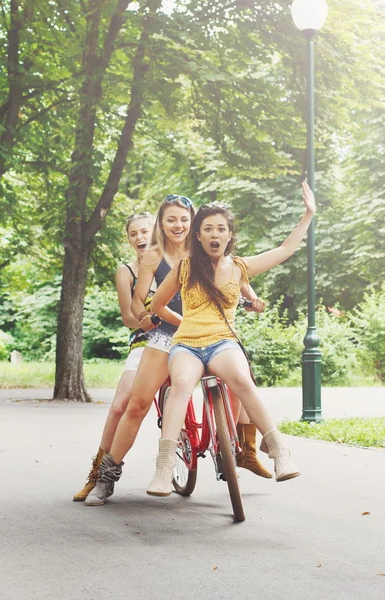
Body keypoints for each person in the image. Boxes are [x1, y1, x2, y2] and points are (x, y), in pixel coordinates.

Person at [86, 195, 270, 505]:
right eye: (171, 220)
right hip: (166, 335)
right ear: (161, 224)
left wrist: (252, 300)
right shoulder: (153, 257)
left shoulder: (209, 247)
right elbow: (137, 298)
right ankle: (106, 477)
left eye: (184, 219)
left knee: (241, 378)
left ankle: (240, 449)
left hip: (211, 333)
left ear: (195, 224)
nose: (178, 225)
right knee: (137, 403)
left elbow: (238, 279)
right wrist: (143, 316)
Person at [147, 181, 315, 496]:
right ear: (198, 235)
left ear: (229, 234)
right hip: (187, 344)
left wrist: (308, 214)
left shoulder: (239, 267)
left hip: (223, 341)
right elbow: (157, 305)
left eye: (220, 229)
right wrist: (184, 321)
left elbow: (284, 250)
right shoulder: (185, 267)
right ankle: (164, 467)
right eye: (207, 229)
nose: (214, 234)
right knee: (182, 384)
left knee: (242, 378)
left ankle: (279, 452)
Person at [73, 212, 155, 502]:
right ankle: (97, 474)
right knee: (120, 406)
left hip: (182, 338)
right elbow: (126, 317)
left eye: (145, 231)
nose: (140, 237)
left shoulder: (175, 263)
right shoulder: (127, 271)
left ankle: (237, 450)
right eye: (134, 234)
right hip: (145, 340)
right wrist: (147, 321)